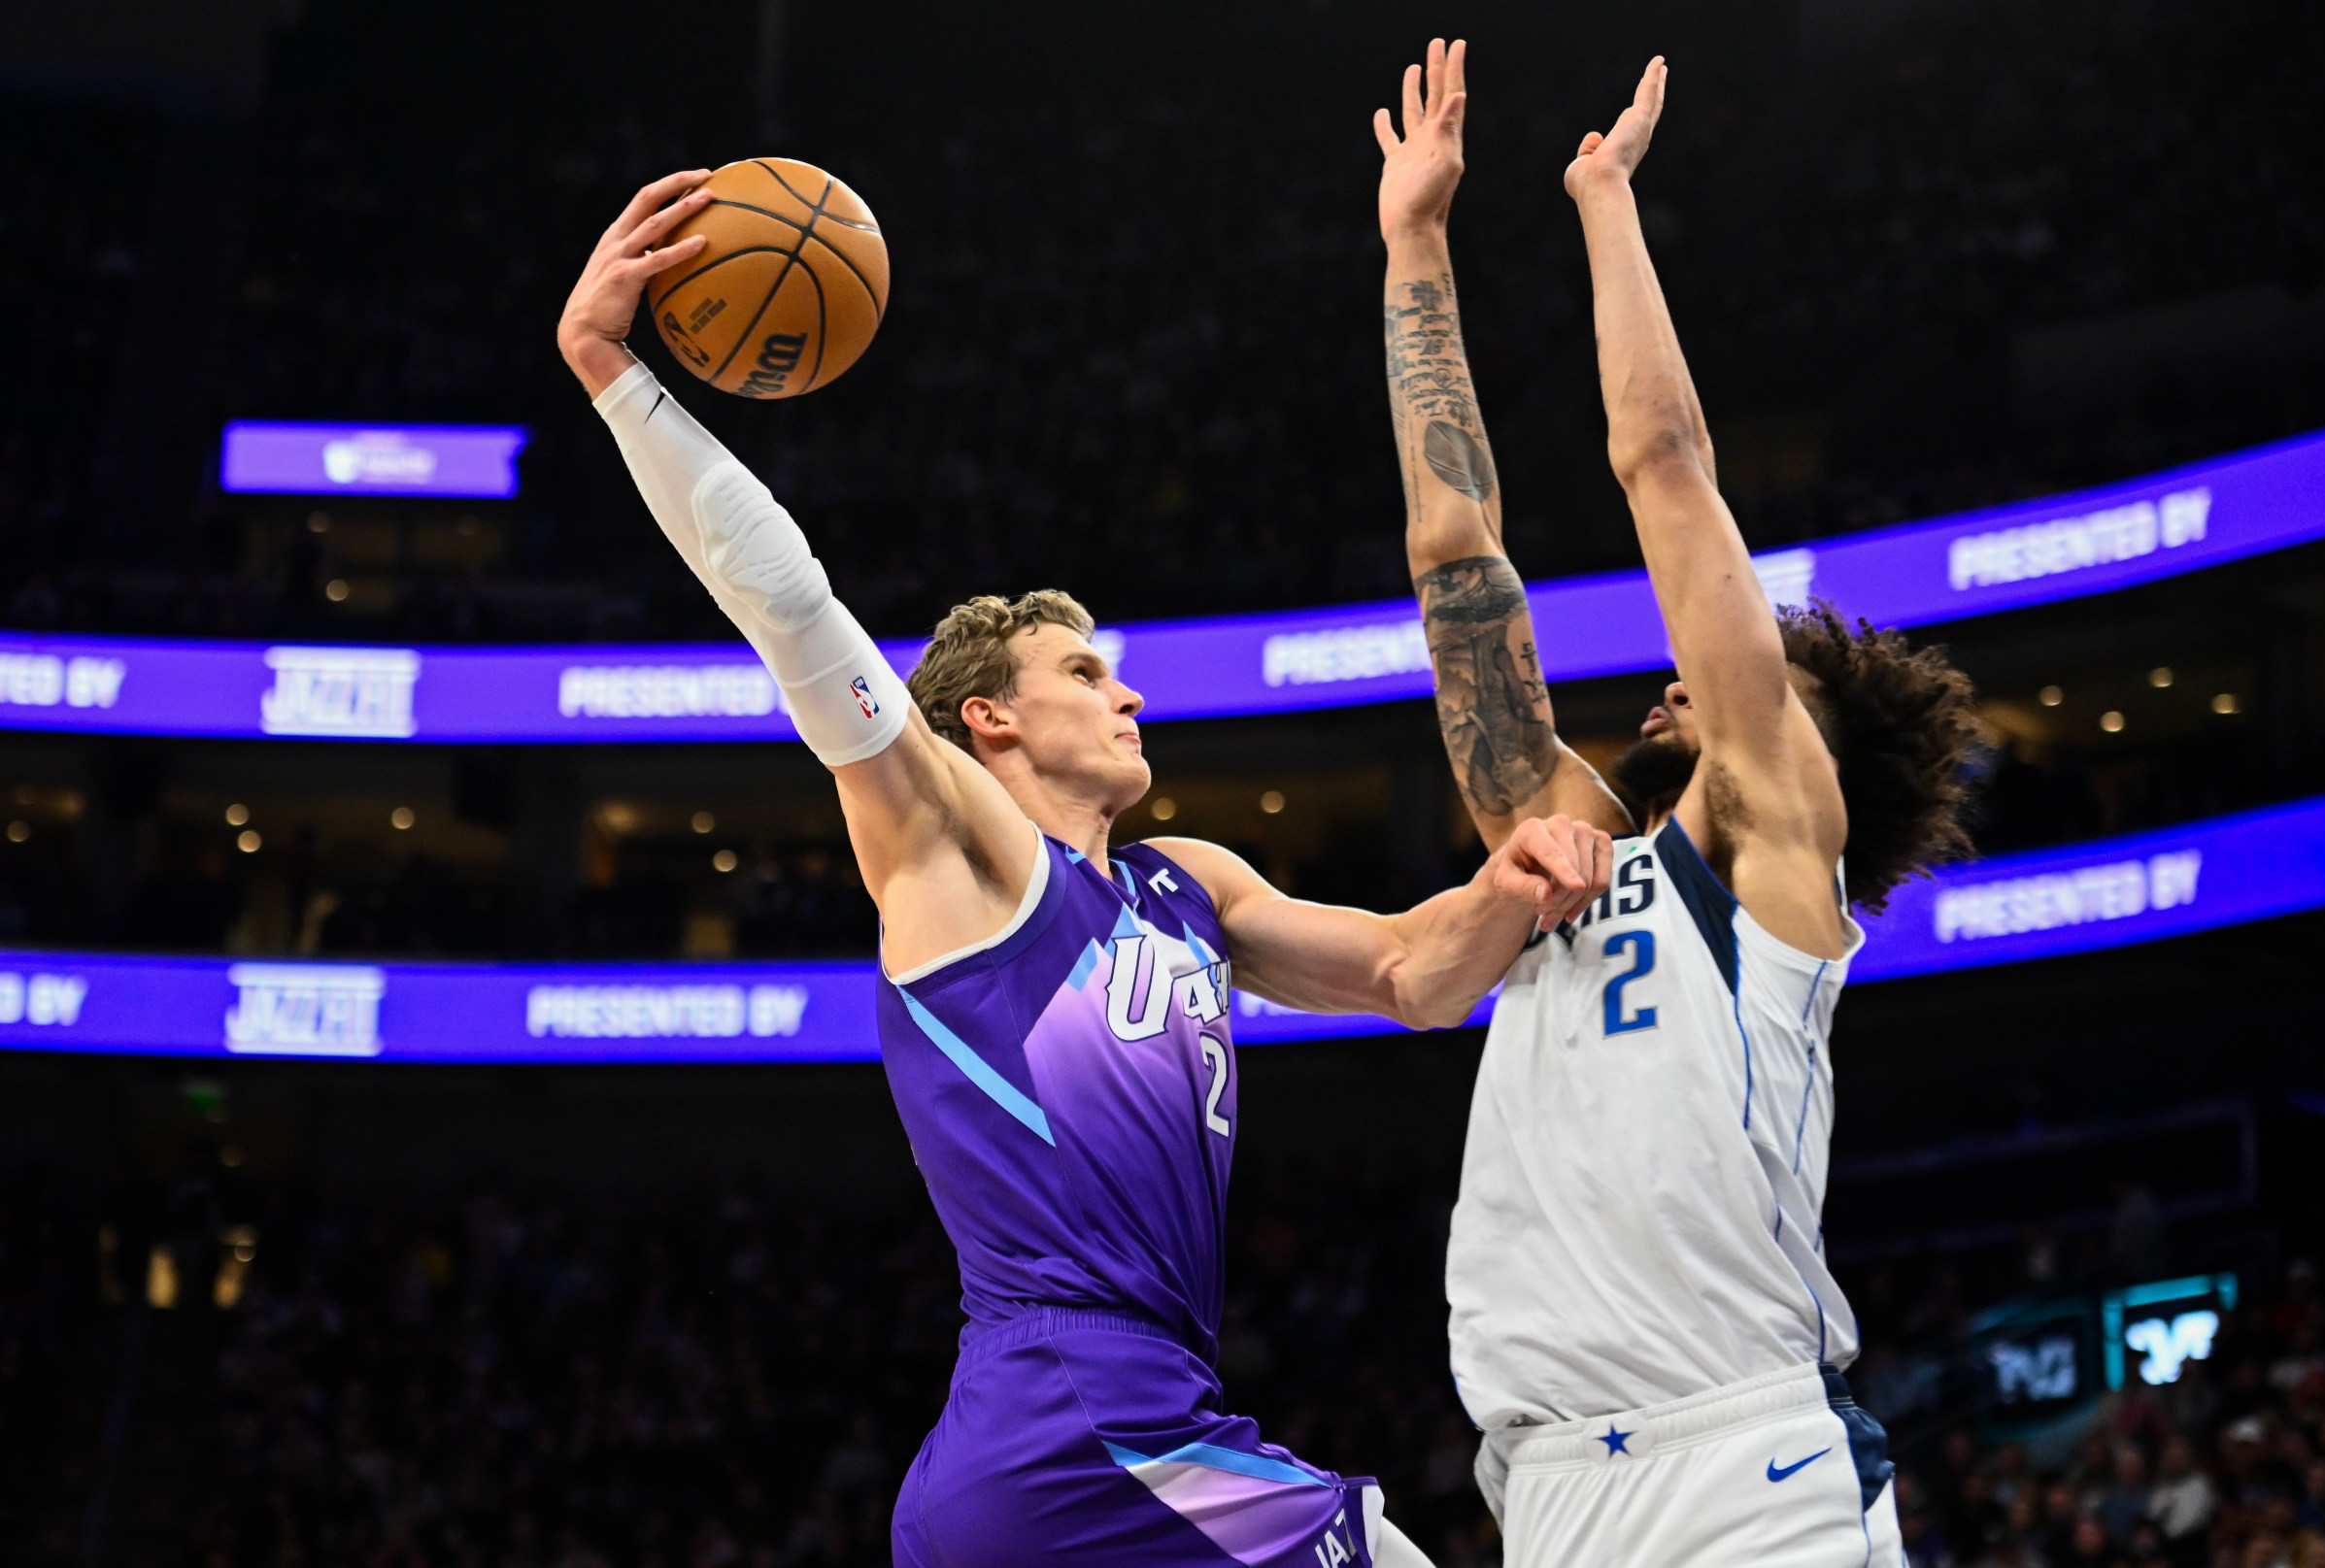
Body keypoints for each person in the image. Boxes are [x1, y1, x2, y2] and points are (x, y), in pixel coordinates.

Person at [556, 170, 1614, 1568]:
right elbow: (794, 608)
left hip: (1105, 1423)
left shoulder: (1188, 886)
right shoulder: (967, 855)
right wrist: (614, 373)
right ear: (988, 717)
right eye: (1082, 670)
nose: (1126, 697)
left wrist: (1519, 877)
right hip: (1079, 1421)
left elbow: (1415, 973)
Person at [1373, 42, 1984, 1567]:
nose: (1680, 681)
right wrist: (1414, 241)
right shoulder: (1566, 845)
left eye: (1736, 681)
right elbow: (1458, 559)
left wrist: (1601, 202)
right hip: (1551, 1486)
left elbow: (1662, 462)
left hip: (1744, 1464)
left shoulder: (1779, 852)